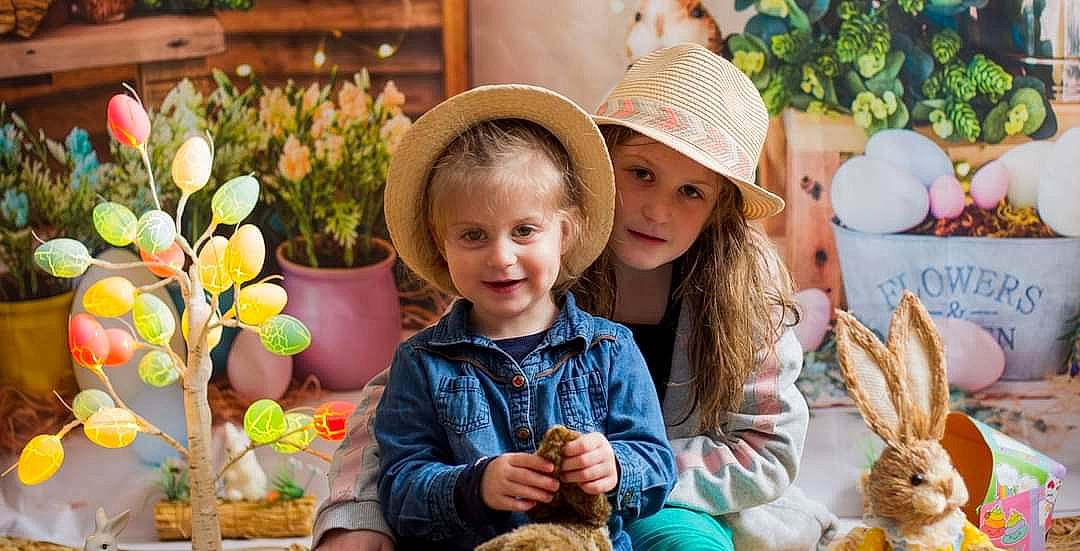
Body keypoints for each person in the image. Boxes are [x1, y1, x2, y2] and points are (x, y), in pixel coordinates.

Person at [313, 43, 837, 551]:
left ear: (719, 207)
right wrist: (355, 516)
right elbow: (400, 403)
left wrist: (618, 471)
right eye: (641, 174)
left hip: (682, 502)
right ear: (601, 163)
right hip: (503, 501)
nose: (657, 211)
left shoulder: (746, 287)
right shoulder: (537, 255)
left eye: (691, 191)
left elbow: (766, 448)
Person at [370, 83, 677, 550]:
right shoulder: (421, 362)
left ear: (564, 235)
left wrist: (614, 467)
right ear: (441, 244)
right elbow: (399, 491)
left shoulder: (610, 350)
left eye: (524, 231)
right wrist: (475, 485)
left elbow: (657, 467)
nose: (501, 257)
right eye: (473, 235)